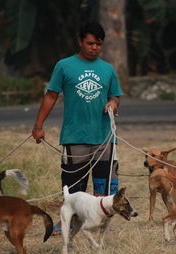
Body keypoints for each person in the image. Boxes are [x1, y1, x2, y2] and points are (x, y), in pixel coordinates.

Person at [32, 22, 123, 234]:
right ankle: (69, 222)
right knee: (74, 186)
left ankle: (101, 224)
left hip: (105, 138)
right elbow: (51, 95)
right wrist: (38, 126)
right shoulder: (64, 66)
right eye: (90, 43)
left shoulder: (108, 69)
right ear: (80, 41)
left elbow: (115, 94)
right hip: (75, 137)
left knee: (105, 186)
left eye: (99, 44)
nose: (95, 48)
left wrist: (113, 103)